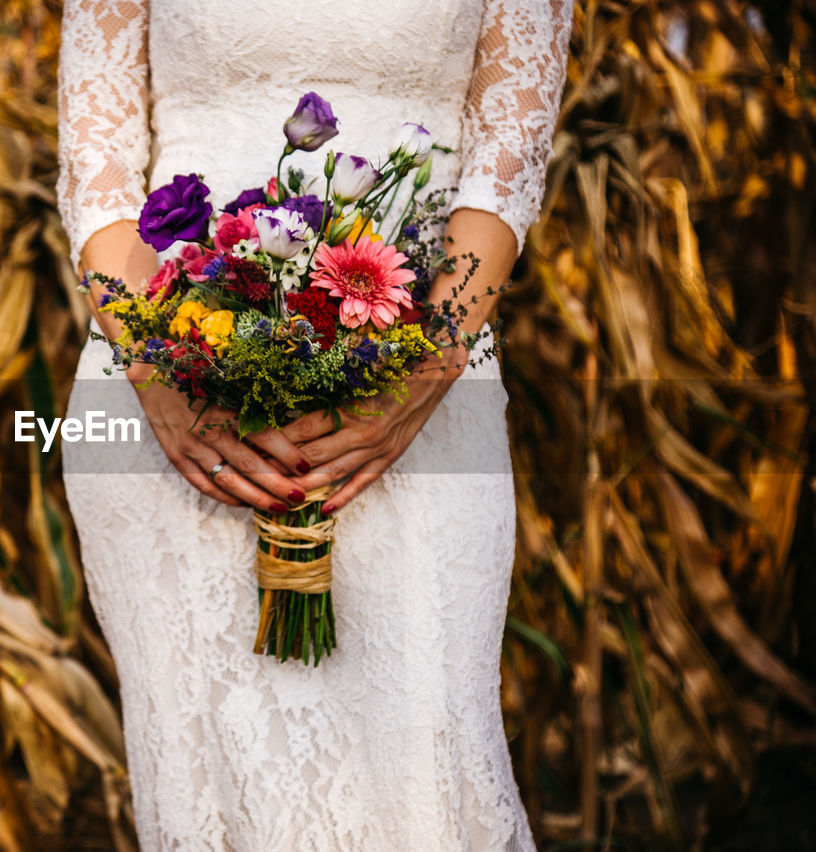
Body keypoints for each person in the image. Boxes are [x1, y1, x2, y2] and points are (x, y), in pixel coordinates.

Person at [56, 1, 571, 848]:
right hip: (169, 401)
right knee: (211, 794)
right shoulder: (161, 384)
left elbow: (504, 170)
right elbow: (96, 166)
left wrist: (422, 373)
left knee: (424, 785)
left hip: (417, 391)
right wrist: (157, 374)